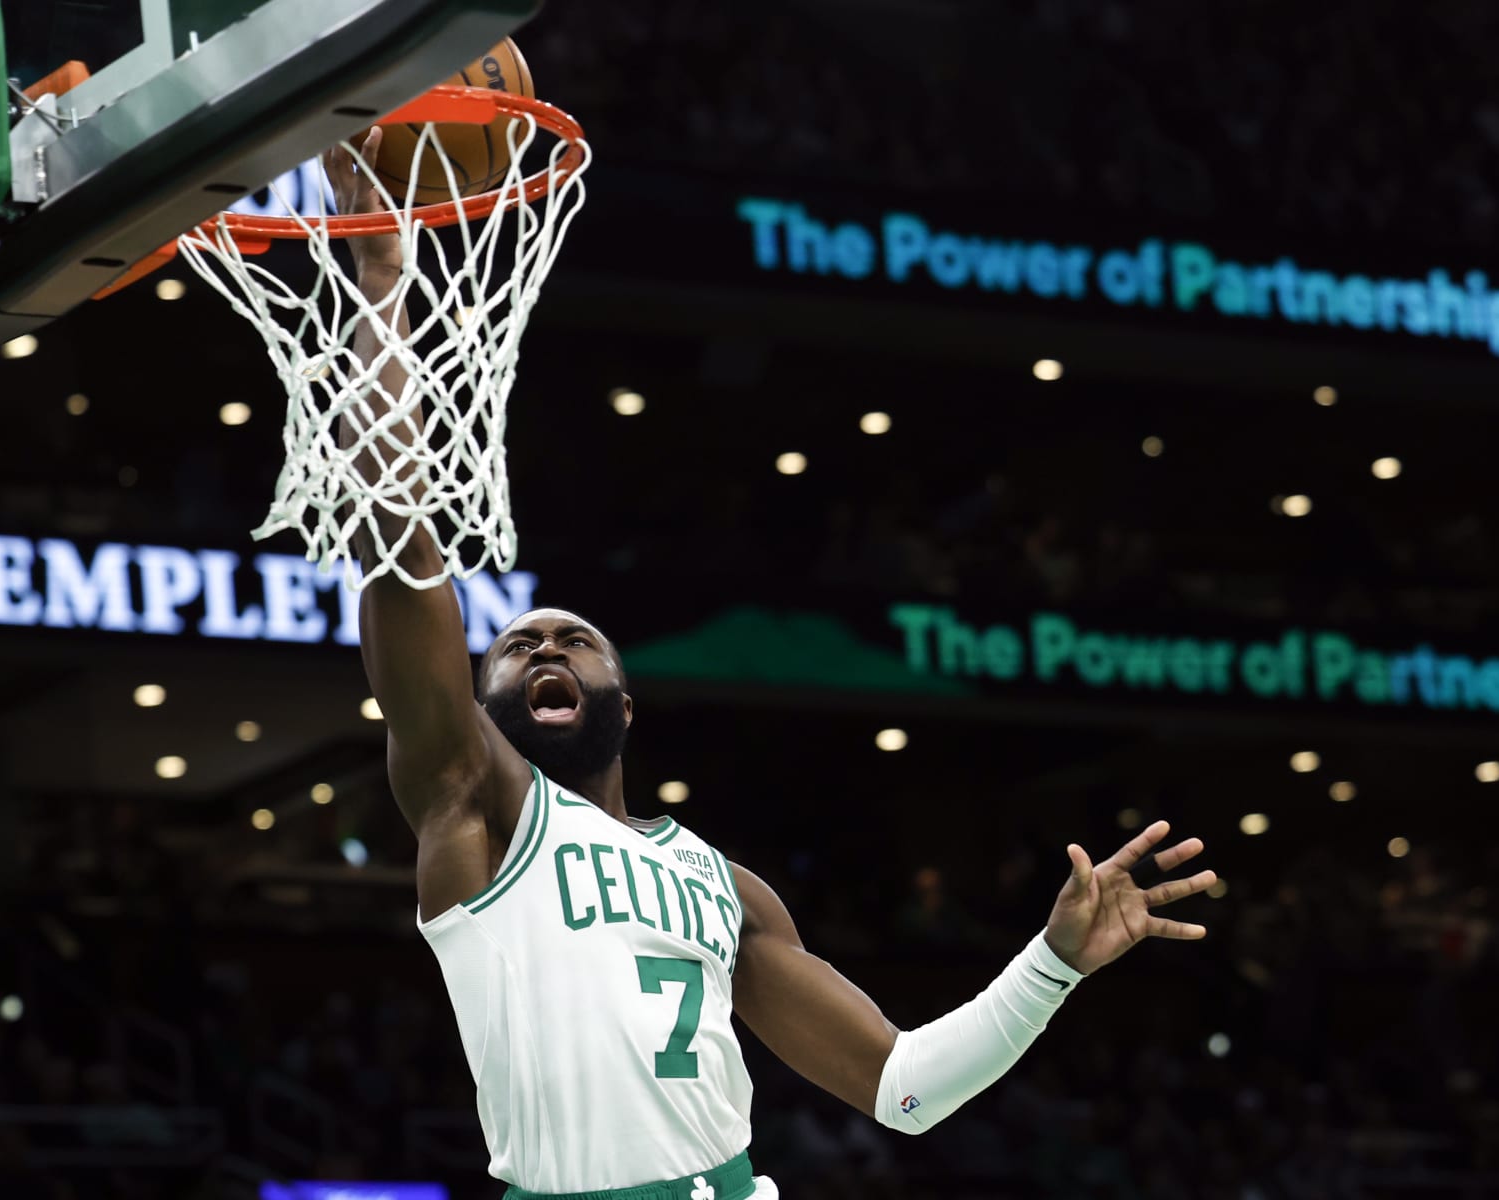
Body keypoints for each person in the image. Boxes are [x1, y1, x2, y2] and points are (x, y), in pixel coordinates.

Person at [323, 130, 1219, 1200]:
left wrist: (1054, 963)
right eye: (518, 645)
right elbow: (397, 544)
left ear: (625, 700)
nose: (547, 645)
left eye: (576, 640)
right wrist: (381, 275)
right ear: (477, 705)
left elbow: (904, 1087)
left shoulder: (725, 887)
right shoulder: (471, 806)